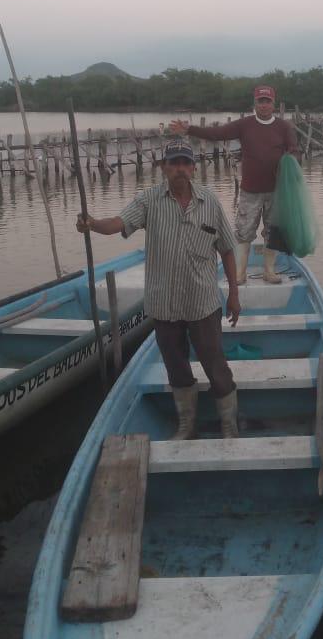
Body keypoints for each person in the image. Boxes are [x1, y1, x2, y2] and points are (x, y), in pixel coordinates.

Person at [76, 140, 242, 440]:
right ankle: (186, 425)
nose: (179, 168)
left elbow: (228, 249)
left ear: (193, 168)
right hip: (163, 303)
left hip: (203, 302)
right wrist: (93, 224)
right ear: (164, 167)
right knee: (175, 367)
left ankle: (229, 424)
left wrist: (234, 293)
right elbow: (119, 223)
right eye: (173, 162)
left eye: (185, 163)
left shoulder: (211, 202)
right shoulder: (148, 201)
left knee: (215, 364)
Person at [170, 84, 299, 285]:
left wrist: (291, 157)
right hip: (250, 191)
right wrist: (190, 129)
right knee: (243, 232)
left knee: (273, 232)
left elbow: (294, 151)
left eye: (267, 102)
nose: (264, 105)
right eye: (260, 102)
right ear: (255, 103)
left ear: (273, 104)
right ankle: (240, 274)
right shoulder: (244, 125)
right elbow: (217, 134)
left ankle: (269, 271)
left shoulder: (284, 127)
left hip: (277, 191)